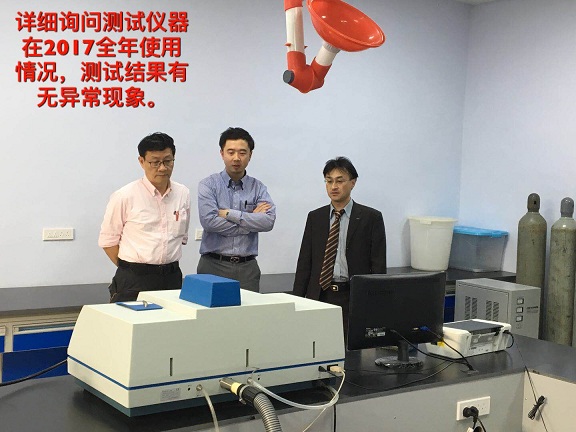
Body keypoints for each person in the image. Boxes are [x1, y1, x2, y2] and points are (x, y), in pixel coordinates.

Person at [293, 156, 386, 336]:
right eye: (329, 181)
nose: (333, 186)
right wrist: (297, 300)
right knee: (318, 344)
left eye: (339, 181)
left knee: (351, 347)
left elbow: (378, 265)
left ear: (353, 183)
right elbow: (304, 262)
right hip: (320, 295)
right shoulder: (315, 217)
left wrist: (376, 303)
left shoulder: (371, 218)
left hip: (353, 296)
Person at [98, 132, 190, 302]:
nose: (162, 168)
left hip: (172, 277)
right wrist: (131, 269)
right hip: (134, 279)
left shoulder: (183, 193)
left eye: (168, 161)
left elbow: (182, 237)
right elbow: (108, 242)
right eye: (155, 162)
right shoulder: (125, 195)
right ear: (141, 161)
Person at [197, 127, 276, 292]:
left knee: (248, 310)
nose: (236, 158)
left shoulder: (258, 187)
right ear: (222, 153)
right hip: (213, 265)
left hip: (247, 269)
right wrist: (250, 220)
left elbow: (268, 222)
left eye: (242, 152)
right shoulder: (208, 185)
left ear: (250, 155)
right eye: (231, 152)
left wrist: (229, 214)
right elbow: (209, 222)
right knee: (210, 310)